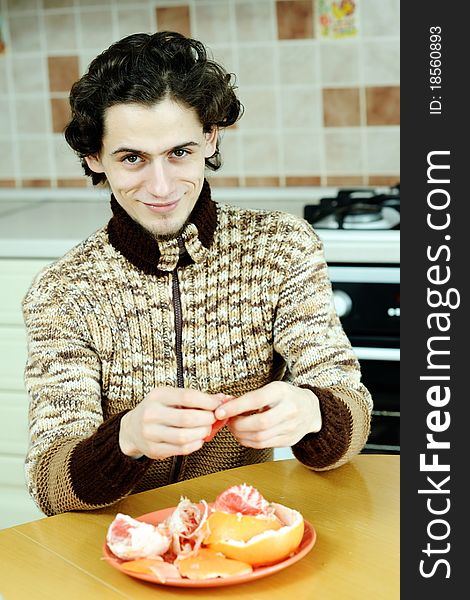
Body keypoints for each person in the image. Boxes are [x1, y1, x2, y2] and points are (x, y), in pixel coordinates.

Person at [23, 31, 372, 517]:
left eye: (179, 152)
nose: (161, 186)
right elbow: (50, 484)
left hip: (244, 532)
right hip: (120, 550)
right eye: (132, 158)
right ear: (94, 157)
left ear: (210, 137)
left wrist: (314, 413)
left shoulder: (280, 247)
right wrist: (126, 439)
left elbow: (350, 405)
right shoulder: (63, 292)